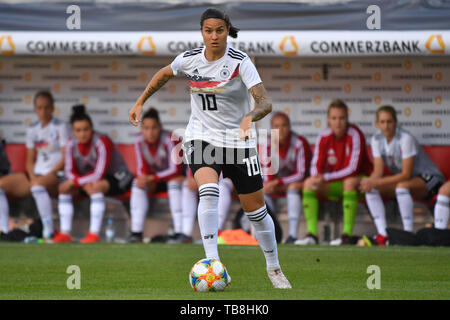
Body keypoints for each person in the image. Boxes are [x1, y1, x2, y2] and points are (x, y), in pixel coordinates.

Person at [129, 8, 291, 288]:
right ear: (202, 32)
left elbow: (265, 102)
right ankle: (213, 263)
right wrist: (141, 100)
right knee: (208, 190)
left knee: (257, 213)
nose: (214, 36)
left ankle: (274, 269)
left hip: (238, 143)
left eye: (219, 30)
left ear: (228, 30)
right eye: (208, 30)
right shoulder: (190, 59)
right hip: (201, 137)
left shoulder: (241, 62)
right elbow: (165, 73)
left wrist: (250, 116)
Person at [360, 105, 446, 244]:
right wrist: (369, 181)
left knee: (401, 186)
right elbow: (378, 171)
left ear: (396, 122)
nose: (386, 126)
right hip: (408, 181)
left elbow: (406, 174)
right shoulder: (376, 139)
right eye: (382, 122)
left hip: (431, 179)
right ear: (377, 123)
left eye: (389, 121)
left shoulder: (405, 138)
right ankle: (382, 234)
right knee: (371, 188)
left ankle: (408, 233)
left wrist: (377, 182)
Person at [295, 99, 372, 246]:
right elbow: (315, 164)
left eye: (342, 118)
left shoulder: (355, 134)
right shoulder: (324, 135)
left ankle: (346, 236)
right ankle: (312, 235)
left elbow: (352, 169)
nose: (338, 122)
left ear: (347, 119)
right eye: (334, 118)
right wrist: (317, 176)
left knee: (349, 183)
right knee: (309, 183)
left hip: (358, 183)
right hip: (334, 183)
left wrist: (325, 177)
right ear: (328, 120)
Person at [53, 105, 133, 243]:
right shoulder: (71, 143)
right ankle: (65, 233)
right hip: (87, 180)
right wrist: (76, 182)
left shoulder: (102, 141)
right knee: (64, 188)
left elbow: (99, 173)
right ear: (73, 132)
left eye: (86, 129)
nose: (82, 134)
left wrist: (77, 182)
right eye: (78, 130)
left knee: (95, 186)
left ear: (92, 129)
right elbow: (69, 171)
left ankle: (93, 234)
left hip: (119, 177)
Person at [0, 91, 68, 241]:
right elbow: (29, 160)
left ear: (52, 108)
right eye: (40, 107)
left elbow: (65, 157)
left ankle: (48, 232)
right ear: (35, 109)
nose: (43, 111)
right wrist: (31, 176)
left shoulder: (60, 126)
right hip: (36, 174)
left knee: (37, 186)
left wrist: (47, 175)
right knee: (1, 184)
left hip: (57, 174)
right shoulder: (32, 129)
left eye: (46, 107)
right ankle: (4, 232)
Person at [129, 107, 189, 243]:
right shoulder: (139, 140)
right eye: (146, 128)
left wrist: (152, 178)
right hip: (156, 180)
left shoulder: (170, 138)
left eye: (154, 128)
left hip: (176, 177)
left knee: (174, 183)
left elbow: (175, 170)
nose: (150, 132)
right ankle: (136, 232)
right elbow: (140, 168)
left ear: (160, 127)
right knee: (137, 183)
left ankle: (180, 232)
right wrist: (145, 179)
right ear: (141, 129)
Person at [261, 111, 311, 244]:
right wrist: (271, 184)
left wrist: (278, 182)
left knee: (293, 187)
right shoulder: (267, 143)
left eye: (284, 125)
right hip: (277, 185)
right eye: (276, 126)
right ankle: (271, 233)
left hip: (296, 183)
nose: (281, 130)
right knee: (263, 190)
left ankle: (292, 235)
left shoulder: (299, 143)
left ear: (289, 127)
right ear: (271, 129)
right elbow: (267, 173)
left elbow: (301, 173)